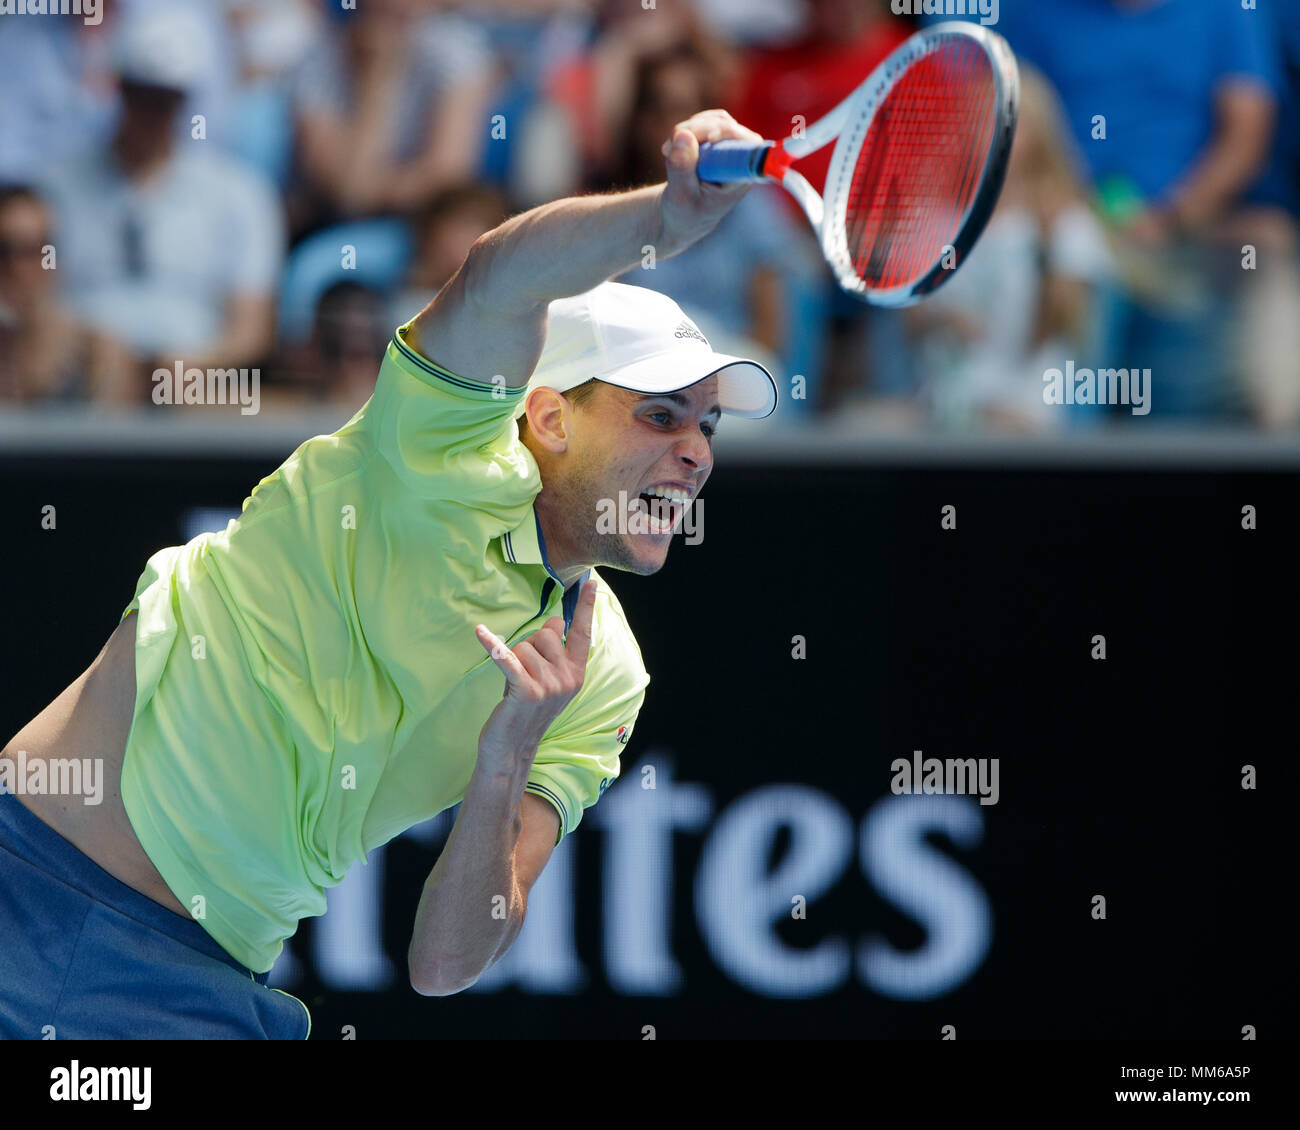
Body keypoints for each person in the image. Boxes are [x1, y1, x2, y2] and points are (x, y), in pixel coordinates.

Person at [0, 108, 777, 1039]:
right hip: (33, 890)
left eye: (708, 428)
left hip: (200, 989)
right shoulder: (437, 454)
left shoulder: (601, 672)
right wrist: (665, 218)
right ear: (547, 419)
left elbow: (446, 964)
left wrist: (506, 757)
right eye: (660, 416)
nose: (698, 454)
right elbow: (497, 276)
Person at [39, 7, 284, 390]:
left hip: (191, 384)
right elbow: (33, 299)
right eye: (141, 94)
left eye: (164, 99)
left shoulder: (240, 194)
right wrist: (92, 345)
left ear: (184, 101)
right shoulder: (56, 187)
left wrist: (190, 366)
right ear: (118, 89)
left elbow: (251, 330)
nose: (151, 113)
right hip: (77, 375)